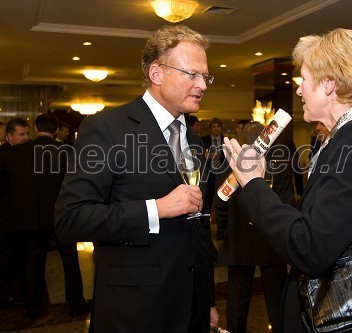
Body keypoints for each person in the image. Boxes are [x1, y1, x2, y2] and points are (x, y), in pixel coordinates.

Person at [222, 28, 352, 333]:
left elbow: (311, 247)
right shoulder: (345, 136)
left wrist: (253, 183)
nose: (299, 90)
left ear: (329, 84)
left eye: (303, 80)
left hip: (348, 315)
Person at [54, 25, 219, 333]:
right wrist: (156, 208)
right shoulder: (107, 128)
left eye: (205, 76)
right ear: (156, 73)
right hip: (134, 310)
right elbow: (70, 219)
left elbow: (197, 228)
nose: (203, 85)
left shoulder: (194, 140)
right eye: (192, 74)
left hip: (190, 309)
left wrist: (206, 299)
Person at [0, 114, 83, 319]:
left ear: (36, 128)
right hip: (61, 214)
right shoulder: (66, 151)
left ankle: (33, 308)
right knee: (70, 261)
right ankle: (76, 304)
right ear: (56, 131)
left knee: (33, 263)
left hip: (33, 218)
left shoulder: (17, 153)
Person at [214, 122, 292, 333]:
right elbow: (287, 203)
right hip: (272, 240)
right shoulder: (278, 164)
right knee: (277, 303)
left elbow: (220, 202)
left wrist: (223, 230)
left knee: (237, 302)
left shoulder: (230, 164)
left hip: (239, 241)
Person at [0, 117, 30, 307]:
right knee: (6, 258)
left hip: (25, 216)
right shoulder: (2, 155)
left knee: (23, 258)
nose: (26, 138)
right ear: (9, 135)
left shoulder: (30, 154)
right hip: (5, 216)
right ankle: (6, 295)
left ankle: (23, 293)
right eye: (21, 134)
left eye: (27, 133)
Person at [202, 117, 225, 239]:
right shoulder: (203, 139)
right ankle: (206, 228)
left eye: (218, 126)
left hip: (222, 174)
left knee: (222, 200)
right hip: (209, 174)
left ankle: (221, 229)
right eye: (214, 126)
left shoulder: (227, 140)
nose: (216, 129)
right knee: (208, 199)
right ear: (210, 128)